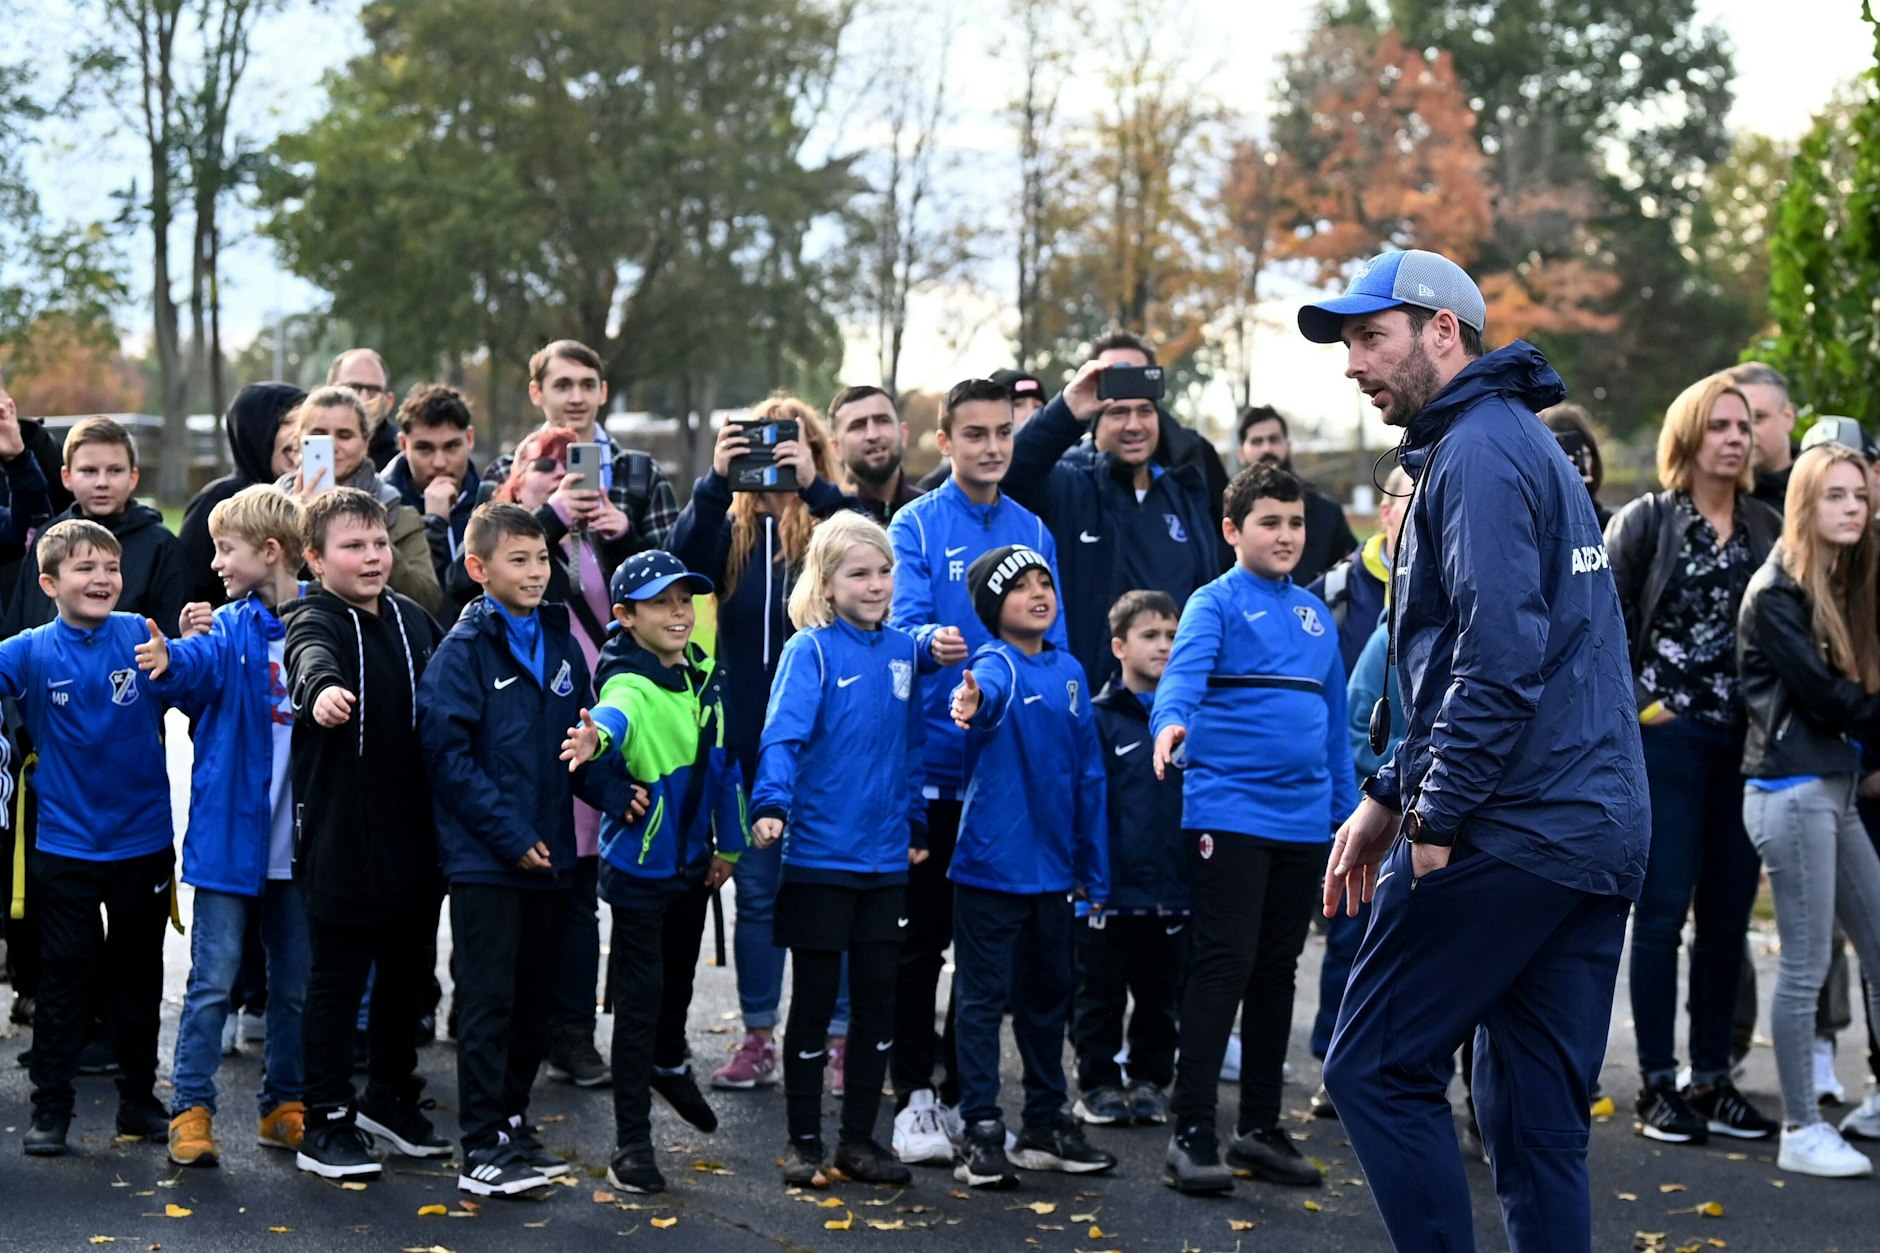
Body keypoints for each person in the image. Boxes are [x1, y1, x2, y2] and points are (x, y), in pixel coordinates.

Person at [1306, 249, 1648, 1253]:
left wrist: (1433, 812)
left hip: (1512, 821)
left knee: (1371, 1063)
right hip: (1589, 828)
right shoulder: (1512, 441)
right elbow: (1475, 647)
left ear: (1440, 332)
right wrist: (1384, 791)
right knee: (1532, 1121)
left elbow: (1499, 656)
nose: (1352, 362)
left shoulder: (1477, 452)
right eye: (1347, 343)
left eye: (1370, 336)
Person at [418, 503, 642, 1196]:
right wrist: (510, 837)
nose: (536, 572)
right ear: (480, 570)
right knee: (489, 998)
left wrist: (612, 788)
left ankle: (510, 1119)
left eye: (543, 558)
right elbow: (446, 757)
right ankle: (481, 1143)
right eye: (519, 560)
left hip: (552, 855)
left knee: (535, 1000)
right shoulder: (464, 649)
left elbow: (574, 739)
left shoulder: (562, 639)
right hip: (491, 858)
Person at [1151, 464, 1357, 1195]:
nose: (1286, 535)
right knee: (1223, 964)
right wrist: (1170, 720)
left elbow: (1333, 728)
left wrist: (1343, 817)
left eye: (1295, 522)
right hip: (1229, 815)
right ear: (1232, 530)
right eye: (1269, 522)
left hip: (1303, 824)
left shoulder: (1313, 618)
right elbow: (1181, 678)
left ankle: (1260, 1127)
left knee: (1277, 973)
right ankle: (1192, 1129)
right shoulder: (1215, 603)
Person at [884, 378, 1064, 1164]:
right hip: (932, 765)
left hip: (1008, 782)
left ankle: (967, 1096)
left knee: (990, 953)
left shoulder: (1032, 527)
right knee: (921, 939)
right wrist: (935, 643)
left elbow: (1052, 643)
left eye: (1003, 432)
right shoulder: (916, 522)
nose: (992, 446)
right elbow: (899, 624)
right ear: (945, 442)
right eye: (976, 433)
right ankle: (913, 1095)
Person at [1605, 372, 1782, 1146]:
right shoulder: (1648, 521)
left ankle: (1713, 1078)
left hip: (1744, 745)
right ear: (1689, 436)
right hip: (1667, 742)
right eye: (1719, 424)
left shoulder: (1769, 529)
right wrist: (1647, 706)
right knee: (1663, 913)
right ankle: (1657, 1084)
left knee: (1728, 919)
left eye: (1744, 424)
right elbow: (1600, 628)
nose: (1735, 436)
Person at [665, 397, 856, 1093]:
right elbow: (680, 568)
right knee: (761, 894)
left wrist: (814, 488)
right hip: (748, 746)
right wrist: (717, 482)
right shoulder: (735, 532)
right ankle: (757, 1035)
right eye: (760, 443)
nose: (772, 454)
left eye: (788, 441)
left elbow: (874, 555)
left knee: (834, 892)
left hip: (832, 747)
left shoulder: (831, 525)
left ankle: (837, 1039)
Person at [5, 520, 200, 1156]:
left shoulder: (142, 634)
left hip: (142, 841)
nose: (101, 579)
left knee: (139, 979)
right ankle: (51, 1110)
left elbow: (192, 683)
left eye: (110, 568)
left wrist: (190, 648)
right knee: (64, 979)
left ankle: (137, 1102)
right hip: (64, 847)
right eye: (84, 568)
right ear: (49, 583)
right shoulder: (30, 649)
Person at [559, 550, 748, 1195]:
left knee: (676, 993)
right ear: (624, 616)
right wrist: (594, 741)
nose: (677, 612)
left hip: (694, 867)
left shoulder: (704, 673)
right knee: (639, 1005)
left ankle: (670, 1065)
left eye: (684, 600)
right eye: (661, 601)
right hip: (640, 869)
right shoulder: (628, 682)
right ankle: (630, 1144)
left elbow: (726, 765)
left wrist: (733, 844)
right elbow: (615, 717)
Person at [751, 511, 925, 1187]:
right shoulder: (812, 651)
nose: (876, 583)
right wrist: (771, 805)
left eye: (885, 571)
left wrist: (912, 823)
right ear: (826, 584)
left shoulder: (905, 650)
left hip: (885, 862)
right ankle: (802, 1140)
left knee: (879, 1000)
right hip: (821, 858)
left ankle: (858, 1140)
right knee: (818, 1000)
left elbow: (911, 748)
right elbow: (782, 737)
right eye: (859, 573)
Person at [283, 488, 448, 1180]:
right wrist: (319, 691)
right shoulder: (312, 615)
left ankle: (389, 1096)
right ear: (315, 559)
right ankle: (324, 1117)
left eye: (380, 543)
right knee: (337, 982)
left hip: (414, 835)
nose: (373, 557)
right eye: (353, 546)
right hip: (341, 838)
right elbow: (307, 658)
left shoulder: (413, 619)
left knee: (407, 978)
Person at [945, 544, 1114, 1189]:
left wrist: (1091, 866)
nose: (1038, 593)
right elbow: (981, 697)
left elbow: (1089, 777)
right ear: (995, 607)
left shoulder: (1070, 670)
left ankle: (1043, 1123)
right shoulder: (997, 664)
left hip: (1054, 875)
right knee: (983, 1002)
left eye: (1046, 581)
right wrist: (970, 704)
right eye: (1021, 588)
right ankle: (982, 1127)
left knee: (1049, 1002)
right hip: (991, 871)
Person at [479, 425, 638, 1087]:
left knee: (577, 898)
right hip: (518, 740)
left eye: (571, 463)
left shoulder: (602, 538)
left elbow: (657, 613)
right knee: (511, 899)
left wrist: (621, 534)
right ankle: (507, 1029)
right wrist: (550, 521)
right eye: (543, 462)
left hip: (588, 727)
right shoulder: (503, 532)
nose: (559, 473)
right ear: (517, 478)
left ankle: (572, 1032)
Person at [1737, 443, 1880, 1177]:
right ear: (1804, 505)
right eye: (1836, 496)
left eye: (1860, 494)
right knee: (1805, 966)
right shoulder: (1777, 593)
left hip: (1831, 786)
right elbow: (1828, 699)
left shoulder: (1839, 582)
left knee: (1878, 942)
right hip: (1789, 792)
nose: (1853, 506)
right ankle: (1800, 1126)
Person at [163, 487, 311, 1168]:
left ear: (271, 551)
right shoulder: (227, 627)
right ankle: (191, 1108)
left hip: (302, 848)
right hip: (228, 837)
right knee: (213, 980)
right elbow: (195, 675)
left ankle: (283, 1105)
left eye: (227, 548)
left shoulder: (322, 623)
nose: (216, 561)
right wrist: (175, 655)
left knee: (295, 980)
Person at [1003, 356, 1222, 691]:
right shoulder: (1068, 487)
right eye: (1118, 413)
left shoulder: (1184, 495)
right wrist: (1066, 409)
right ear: (1094, 424)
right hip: (1094, 703)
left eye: (1145, 411)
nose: (1134, 425)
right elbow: (1009, 473)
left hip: (1180, 702)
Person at [1071, 589, 1187, 1129]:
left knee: (1160, 998)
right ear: (1119, 646)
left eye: (1171, 635)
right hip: (1108, 892)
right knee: (1099, 996)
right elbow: (1083, 803)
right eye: (1150, 635)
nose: (1164, 646)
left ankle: (1149, 1081)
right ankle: (1096, 1084)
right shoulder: (1097, 720)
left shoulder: (1189, 722)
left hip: (1170, 893)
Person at [482, 340, 678, 554]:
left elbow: (670, 570)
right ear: (536, 392)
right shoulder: (504, 472)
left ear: (603, 392)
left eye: (588, 385)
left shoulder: (640, 472)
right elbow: (479, 564)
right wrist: (551, 516)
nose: (577, 398)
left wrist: (624, 535)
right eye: (562, 386)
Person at [4, 417, 187, 639]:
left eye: (115, 470)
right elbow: (21, 623)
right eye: (89, 471)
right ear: (67, 477)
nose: (102, 482)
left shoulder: (160, 544)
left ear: (133, 477)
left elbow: (172, 639)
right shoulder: (48, 536)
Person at [276, 386, 444, 617]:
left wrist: (370, 535)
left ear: (366, 443)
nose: (332, 445)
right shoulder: (270, 506)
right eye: (319, 433)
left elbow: (428, 600)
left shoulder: (396, 511)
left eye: (344, 435)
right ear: (299, 440)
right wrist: (293, 520)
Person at [179, 383, 305, 607]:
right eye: (287, 422)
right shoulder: (218, 501)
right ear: (256, 429)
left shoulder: (318, 495)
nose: (299, 434)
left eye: (305, 422)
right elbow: (189, 589)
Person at [384, 384, 481, 622]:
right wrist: (433, 524)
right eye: (424, 448)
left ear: (469, 438)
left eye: (451, 447)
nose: (439, 463)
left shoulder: (491, 499)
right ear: (404, 445)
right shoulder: (382, 506)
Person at [1236, 405, 1358, 587]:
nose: (1267, 448)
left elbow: (1353, 573)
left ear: (1288, 446)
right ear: (1242, 453)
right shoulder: (1222, 511)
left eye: (1274, 439)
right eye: (1256, 441)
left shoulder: (1326, 512)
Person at [1307, 465, 1412, 675]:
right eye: (1413, 501)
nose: (1425, 512)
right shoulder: (1336, 587)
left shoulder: (1456, 585)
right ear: (1386, 512)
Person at [828, 385, 921, 524]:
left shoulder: (930, 513)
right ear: (836, 448)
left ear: (903, 434)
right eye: (857, 426)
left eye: (883, 421)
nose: (873, 435)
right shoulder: (824, 517)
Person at [1733, 361, 1798, 511]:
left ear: (1788, 417)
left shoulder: (1823, 487)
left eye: (1757, 418)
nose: (1741, 433)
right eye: (1726, 423)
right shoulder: (1709, 503)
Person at [1540, 402, 1613, 529]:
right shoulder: (1533, 523)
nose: (1571, 466)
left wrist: (1583, 497)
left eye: (1582, 455)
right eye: (1562, 458)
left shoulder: (1609, 523)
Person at [326, 348, 402, 471]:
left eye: (373, 391)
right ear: (328, 394)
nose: (363, 399)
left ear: (388, 403)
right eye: (353, 388)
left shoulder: (402, 466)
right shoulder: (299, 453)